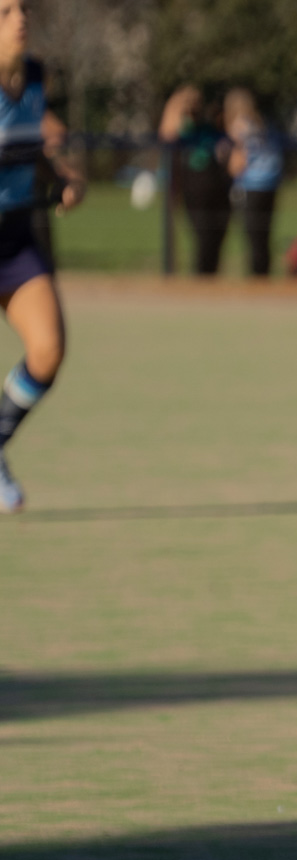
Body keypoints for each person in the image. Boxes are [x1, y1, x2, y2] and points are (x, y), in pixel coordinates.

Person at [0, 0, 83, 513]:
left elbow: (34, 146)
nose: (21, 19)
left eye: (23, 9)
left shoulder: (32, 76)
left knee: (48, 350)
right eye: (6, 12)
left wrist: (64, 178)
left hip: (14, 239)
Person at [158, 86, 231, 276]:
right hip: (194, 192)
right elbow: (167, 133)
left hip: (219, 191)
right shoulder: (184, 129)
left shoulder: (211, 127)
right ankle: (202, 280)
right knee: (203, 238)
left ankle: (211, 279)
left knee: (216, 239)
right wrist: (178, 104)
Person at [225, 88, 281, 278]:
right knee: (264, 237)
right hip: (271, 184)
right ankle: (264, 276)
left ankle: (257, 282)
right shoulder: (263, 124)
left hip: (252, 186)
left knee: (253, 237)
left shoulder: (239, 126)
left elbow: (238, 164)